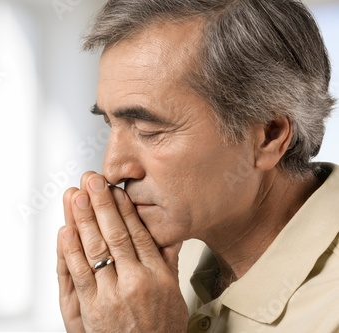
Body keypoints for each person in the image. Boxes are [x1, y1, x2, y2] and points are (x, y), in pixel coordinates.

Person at [56, 0, 338, 331]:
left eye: (149, 131)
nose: (112, 169)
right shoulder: (161, 264)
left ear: (269, 136)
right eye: (111, 124)